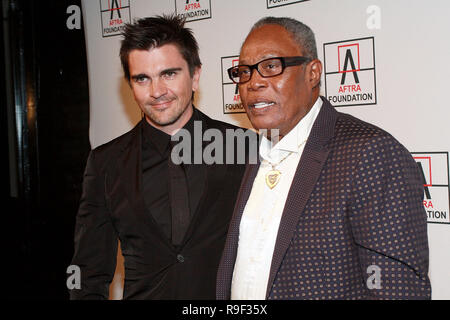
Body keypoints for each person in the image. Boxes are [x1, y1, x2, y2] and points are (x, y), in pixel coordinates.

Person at [216, 16, 431, 300]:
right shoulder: (248, 154)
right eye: (244, 72)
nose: (253, 82)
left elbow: (398, 290)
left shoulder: (370, 153)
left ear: (313, 72)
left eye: (271, 66)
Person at [69, 15, 247, 299]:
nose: (157, 92)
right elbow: (88, 271)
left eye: (169, 74)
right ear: (130, 85)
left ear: (195, 76)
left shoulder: (245, 148)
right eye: (142, 78)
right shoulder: (106, 163)